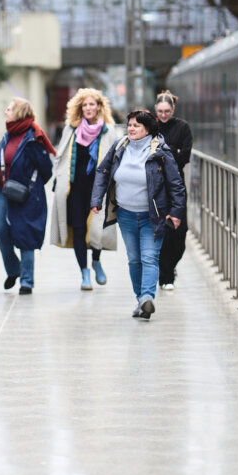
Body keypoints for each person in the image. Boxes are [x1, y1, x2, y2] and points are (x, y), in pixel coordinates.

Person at [91, 110, 186, 320]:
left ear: (148, 129)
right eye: (130, 125)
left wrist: (176, 213)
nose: (131, 129)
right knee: (134, 259)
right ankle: (140, 300)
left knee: (149, 257)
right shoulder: (120, 147)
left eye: (136, 126)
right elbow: (103, 171)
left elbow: (176, 184)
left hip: (153, 216)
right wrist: (96, 199)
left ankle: (147, 297)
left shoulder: (160, 151)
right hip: (125, 214)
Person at [0, 98, 55, 295]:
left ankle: (27, 282)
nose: (5, 112)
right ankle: (14, 269)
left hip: (27, 195)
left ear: (19, 113)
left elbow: (46, 169)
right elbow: (1, 160)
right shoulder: (8, 134)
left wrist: (30, 186)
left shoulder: (33, 138)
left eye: (9, 109)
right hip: (2, 190)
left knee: (25, 235)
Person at [48, 88, 120, 291]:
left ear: (99, 107)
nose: (88, 108)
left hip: (98, 190)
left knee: (97, 228)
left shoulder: (108, 131)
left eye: (92, 104)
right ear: (80, 108)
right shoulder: (71, 130)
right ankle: (84, 273)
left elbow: (115, 160)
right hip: (74, 190)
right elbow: (60, 158)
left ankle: (96, 260)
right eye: (85, 105)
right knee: (78, 229)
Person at [155, 90, 193, 291]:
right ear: (155, 110)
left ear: (173, 109)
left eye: (167, 111)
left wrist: (164, 152)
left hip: (177, 186)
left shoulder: (183, 127)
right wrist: (173, 151)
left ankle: (170, 267)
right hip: (156, 186)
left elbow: (185, 156)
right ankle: (166, 275)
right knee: (161, 230)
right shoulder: (151, 127)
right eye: (160, 111)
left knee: (179, 234)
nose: (163, 115)